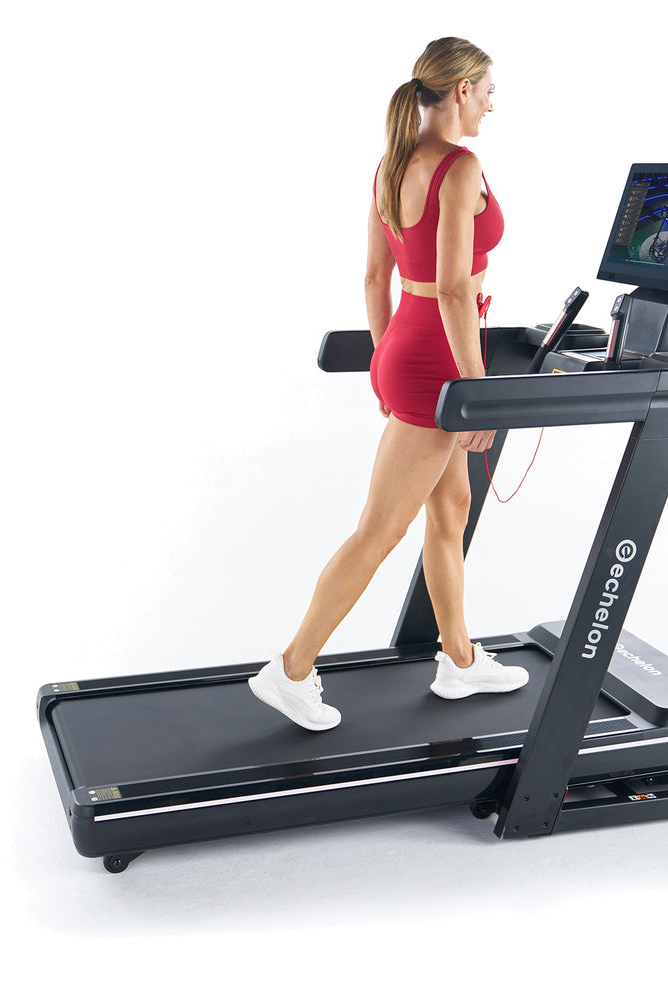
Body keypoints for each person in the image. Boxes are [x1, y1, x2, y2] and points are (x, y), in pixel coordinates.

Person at [249, 37, 529, 731]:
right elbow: (456, 290)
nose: (491, 106)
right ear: (461, 90)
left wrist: (382, 359)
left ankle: (459, 660)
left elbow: (377, 277)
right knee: (381, 528)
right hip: (440, 358)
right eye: (488, 92)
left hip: (406, 341)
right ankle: (291, 669)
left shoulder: (393, 162)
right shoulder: (460, 167)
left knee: (450, 510)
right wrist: (476, 392)